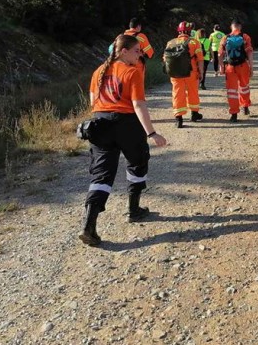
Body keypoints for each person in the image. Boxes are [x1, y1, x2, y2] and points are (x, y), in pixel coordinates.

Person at [80, 34, 168, 247]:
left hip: (100, 125)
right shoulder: (132, 72)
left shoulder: (98, 71)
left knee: (101, 174)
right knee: (137, 162)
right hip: (126, 123)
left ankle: (89, 225)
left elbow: (93, 101)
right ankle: (134, 209)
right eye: (137, 50)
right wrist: (152, 133)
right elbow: (138, 105)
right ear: (123, 51)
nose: (140, 54)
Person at [163, 21, 205, 128]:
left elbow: (165, 59)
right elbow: (200, 59)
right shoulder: (195, 42)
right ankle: (194, 114)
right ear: (189, 31)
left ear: (179, 31)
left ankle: (179, 119)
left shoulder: (170, 42)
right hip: (191, 72)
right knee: (193, 92)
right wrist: (202, 73)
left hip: (175, 74)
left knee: (177, 94)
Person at [219, 18, 254, 122]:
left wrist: (221, 67)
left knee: (231, 91)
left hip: (230, 67)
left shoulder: (225, 38)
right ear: (240, 27)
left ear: (231, 27)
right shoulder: (245, 37)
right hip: (243, 66)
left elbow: (220, 54)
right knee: (244, 87)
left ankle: (234, 114)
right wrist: (251, 67)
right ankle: (245, 105)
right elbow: (249, 53)